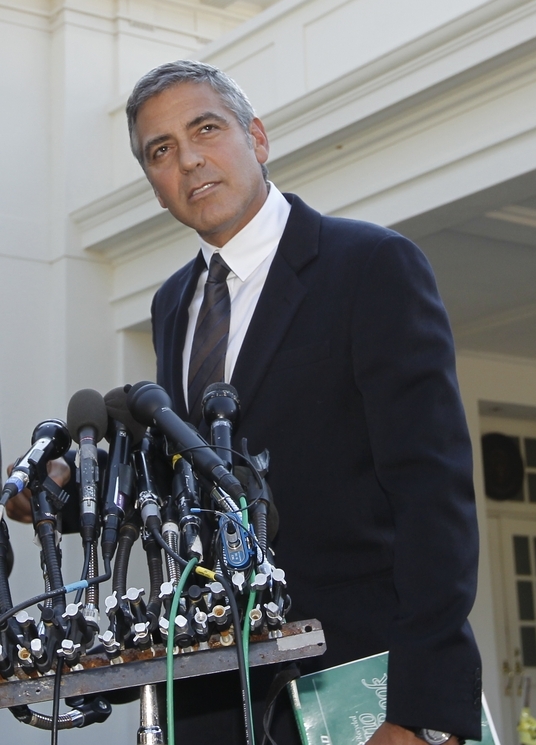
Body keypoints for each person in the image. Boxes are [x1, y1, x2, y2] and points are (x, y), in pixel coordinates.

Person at [123, 60, 482, 744]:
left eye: (206, 128)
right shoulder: (173, 304)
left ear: (257, 138)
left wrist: (424, 709)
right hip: (213, 696)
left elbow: (432, 494)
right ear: (154, 183)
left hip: (358, 686)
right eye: (160, 150)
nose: (189, 158)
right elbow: (198, 478)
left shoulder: (371, 265)